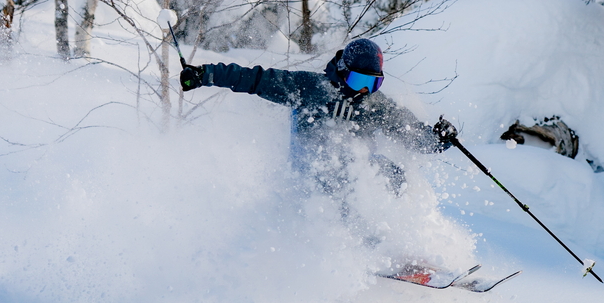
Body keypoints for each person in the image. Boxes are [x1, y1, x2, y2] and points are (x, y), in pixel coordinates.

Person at [180, 38, 458, 194]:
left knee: (390, 173)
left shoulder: (376, 105)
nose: (363, 89)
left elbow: (409, 133)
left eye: (373, 83)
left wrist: (438, 138)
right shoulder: (309, 87)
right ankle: (352, 242)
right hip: (312, 175)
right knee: (345, 173)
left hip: (357, 174)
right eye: (359, 79)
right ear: (342, 69)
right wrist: (205, 74)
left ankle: (389, 241)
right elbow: (255, 79)